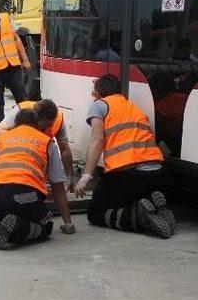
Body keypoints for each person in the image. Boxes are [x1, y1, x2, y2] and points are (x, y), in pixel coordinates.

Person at [74, 74, 174, 239]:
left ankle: (138, 218)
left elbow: (97, 139)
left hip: (129, 173)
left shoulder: (100, 105)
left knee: (95, 212)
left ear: (98, 93)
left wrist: (86, 175)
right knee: (126, 197)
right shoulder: (132, 107)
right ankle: (153, 203)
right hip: (156, 171)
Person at [0, 109, 74, 250]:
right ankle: (17, 228)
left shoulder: (2, 139)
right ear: (37, 125)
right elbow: (58, 187)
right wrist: (68, 224)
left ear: (16, 124)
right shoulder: (46, 141)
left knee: (1, 216)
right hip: (22, 194)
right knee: (45, 225)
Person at [0, 99, 75, 191]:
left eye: (52, 123)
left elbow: (65, 150)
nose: (51, 127)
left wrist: (70, 176)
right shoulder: (20, 110)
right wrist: (22, 139)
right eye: (47, 124)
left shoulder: (58, 120)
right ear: (36, 120)